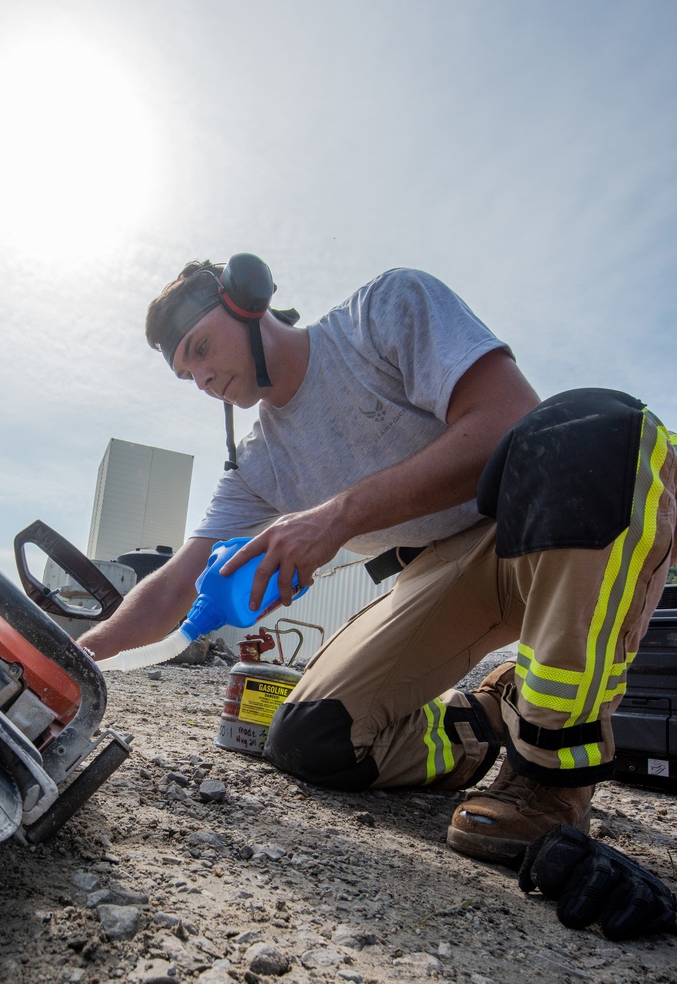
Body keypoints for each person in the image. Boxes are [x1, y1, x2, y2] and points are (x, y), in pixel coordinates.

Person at [81, 256, 676, 866]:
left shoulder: (383, 313)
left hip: (552, 531)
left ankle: (550, 777)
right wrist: (78, 659)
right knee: (314, 739)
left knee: (596, 426)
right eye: (188, 373)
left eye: (202, 348)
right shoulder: (258, 465)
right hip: (444, 569)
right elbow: (178, 580)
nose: (203, 378)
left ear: (247, 298)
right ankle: (491, 720)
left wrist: (334, 518)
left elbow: (508, 418)